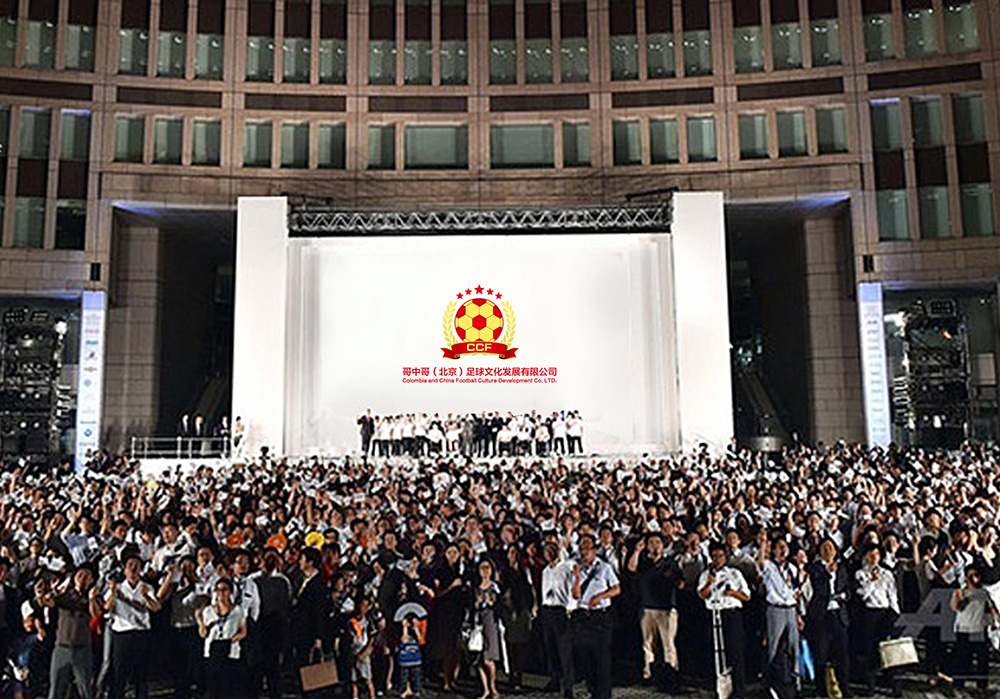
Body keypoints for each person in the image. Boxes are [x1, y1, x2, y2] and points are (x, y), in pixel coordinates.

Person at [699, 540, 751, 699]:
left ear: (725, 557)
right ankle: (718, 688)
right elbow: (702, 594)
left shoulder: (734, 573)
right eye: (714, 556)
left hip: (731, 614)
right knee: (716, 651)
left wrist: (732, 593)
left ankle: (739, 690)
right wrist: (709, 583)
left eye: (720, 556)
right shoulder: (705, 575)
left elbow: (747, 596)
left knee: (735, 651)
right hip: (714, 613)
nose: (717, 559)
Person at [105, 553, 162, 699]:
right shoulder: (117, 587)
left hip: (141, 633)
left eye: (136, 566)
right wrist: (112, 593)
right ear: (124, 570)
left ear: (141, 570)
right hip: (122, 634)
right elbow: (107, 608)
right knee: (119, 673)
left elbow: (156, 607)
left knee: (141, 674)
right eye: (130, 565)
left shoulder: (147, 587)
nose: (133, 569)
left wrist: (146, 596)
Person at [570, 534, 620, 699]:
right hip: (582, 616)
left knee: (601, 657)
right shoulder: (576, 568)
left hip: (600, 616)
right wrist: (577, 578)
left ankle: (604, 694)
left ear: (594, 550)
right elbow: (575, 595)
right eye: (581, 548)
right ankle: (593, 690)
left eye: (587, 548)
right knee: (585, 656)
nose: (584, 552)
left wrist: (600, 596)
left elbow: (616, 589)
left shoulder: (604, 567)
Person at [628, 532, 681, 686]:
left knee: (668, 643)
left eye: (658, 542)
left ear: (663, 545)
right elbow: (631, 568)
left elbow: (679, 582)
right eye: (651, 542)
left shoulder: (670, 562)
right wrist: (637, 551)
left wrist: (672, 577)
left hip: (666, 608)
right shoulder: (643, 561)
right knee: (648, 643)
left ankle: (671, 673)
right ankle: (648, 673)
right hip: (646, 607)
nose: (655, 545)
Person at [805, 539, 850, 697]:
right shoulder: (815, 569)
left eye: (831, 548)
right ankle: (821, 689)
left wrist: (844, 596)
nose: (828, 551)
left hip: (838, 614)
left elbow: (848, 589)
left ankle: (844, 687)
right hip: (821, 617)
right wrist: (829, 574)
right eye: (825, 548)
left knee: (842, 655)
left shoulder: (842, 568)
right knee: (821, 655)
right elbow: (816, 588)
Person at [48, 565, 100, 699]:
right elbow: (49, 602)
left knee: (86, 689)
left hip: (82, 649)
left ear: (92, 580)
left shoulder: (94, 597)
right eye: (80, 575)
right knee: (56, 689)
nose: (82, 579)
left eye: (86, 576)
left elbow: (95, 614)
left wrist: (91, 599)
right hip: (62, 647)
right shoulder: (65, 595)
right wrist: (53, 590)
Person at [855, 545, 898, 693]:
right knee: (870, 649)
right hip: (869, 613)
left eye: (877, 554)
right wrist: (872, 581)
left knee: (888, 648)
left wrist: (896, 613)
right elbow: (863, 594)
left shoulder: (887, 573)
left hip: (886, 612)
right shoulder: (860, 574)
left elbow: (892, 595)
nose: (874, 557)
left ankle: (891, 682)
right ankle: (871, 684)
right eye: (871, 554)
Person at [196, 578, 248, 699]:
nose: (221, 593)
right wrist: (200, 621)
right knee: (212, 688)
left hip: (230, 650)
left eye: (224, 590)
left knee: (228, 688)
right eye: (218, 590)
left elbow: (243, 631)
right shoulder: (208, 611)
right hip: (213, 649)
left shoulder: (238, 611)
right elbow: (203, 634)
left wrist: (233, 639)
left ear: (230, 592)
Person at [949, 563, 994, 692]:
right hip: (964, 629)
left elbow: (991, 609)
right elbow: (956, 607)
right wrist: (965, 597)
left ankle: (982, 686)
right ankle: (959, 684)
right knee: (962, 659)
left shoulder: (984, 592)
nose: (975, 578)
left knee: (982, 660)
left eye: (977, 575)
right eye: (971, 576)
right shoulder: (960, 592)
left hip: (979, 629)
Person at [538, 541, 574, 698]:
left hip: (561, 610)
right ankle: (554, 680)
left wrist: (570, 607)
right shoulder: (545, 570)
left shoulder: (566, 567)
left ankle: (568, 686)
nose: (548, 554)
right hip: (547, 610)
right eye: (546, 551)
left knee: (564, 650)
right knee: (550, 648)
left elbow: (572, 588)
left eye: (551, 550)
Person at [470, 558, 502, 699]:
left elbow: (500, 604)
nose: (485, 571)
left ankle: (493, 687)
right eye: (482, 568)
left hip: (490, 621)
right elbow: (471, 606)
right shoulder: (475, 587)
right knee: (479, 659)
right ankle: (485, 689)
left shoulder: (495, 587)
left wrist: (492, 603)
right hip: (478, 623)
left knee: (489, 658)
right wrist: (476, 604)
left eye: (487, 567)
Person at [398, 613, 424, 699]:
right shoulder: (401, 631)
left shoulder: (417, 631)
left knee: (416, 676)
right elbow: (404, 640)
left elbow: (421, 641)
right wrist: (404, 627)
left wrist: (416, 628)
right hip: (405, 659)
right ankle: (404, 690)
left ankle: (416, 690)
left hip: (415, 659)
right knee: (404, 677)